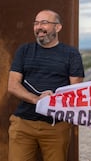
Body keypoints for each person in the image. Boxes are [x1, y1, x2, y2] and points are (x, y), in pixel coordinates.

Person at [7, 9, 85, 161]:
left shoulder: (71, 54)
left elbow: (76, 91)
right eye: (36, 23)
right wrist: (37, 100)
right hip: (23, 124)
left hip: (56, 126)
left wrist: (53, 99)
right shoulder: (24, 50)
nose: (38, 27)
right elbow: (12, 85)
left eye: (44, 22)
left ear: (58, 27)